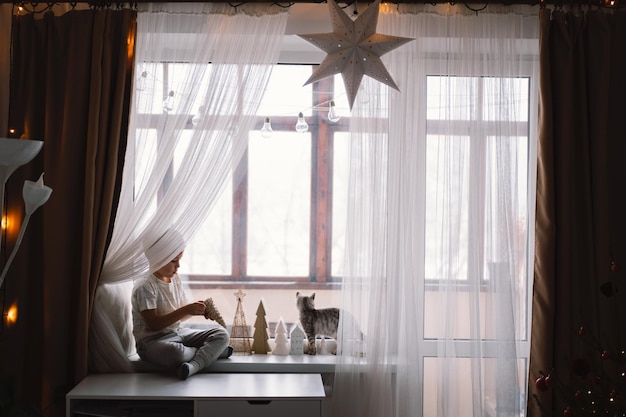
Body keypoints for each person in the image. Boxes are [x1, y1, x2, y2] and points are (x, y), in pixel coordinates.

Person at [131, 229, 232, 380]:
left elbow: (179, 318)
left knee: (222, 335)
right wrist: (186, 309)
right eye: (173, 261)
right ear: (156, 257)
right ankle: (208, 353)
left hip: (177, 333)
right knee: (175, 354)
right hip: (152, 343)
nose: (178, 266)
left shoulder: (175, 279)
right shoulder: (145, 285)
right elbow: (154, 325)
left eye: (179, 259)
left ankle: (193, 366)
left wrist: (195, 310)